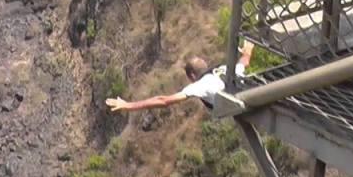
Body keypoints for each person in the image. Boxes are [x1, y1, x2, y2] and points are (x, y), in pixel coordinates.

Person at [105, 42, 254, 112]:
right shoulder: (224, 68)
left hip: (239, 104)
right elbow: (244, 62)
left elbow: (163, 101)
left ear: (192, 76)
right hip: (252, 91)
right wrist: (247, 50)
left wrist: (128, 105)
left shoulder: (199, 85)